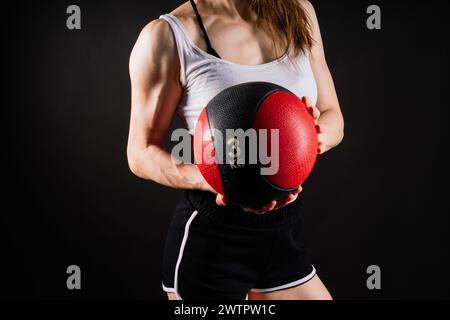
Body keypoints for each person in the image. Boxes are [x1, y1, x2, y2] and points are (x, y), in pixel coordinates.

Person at [127, 0, 344, 300]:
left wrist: (305, 138)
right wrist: (220, 179)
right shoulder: (168, 35)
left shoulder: (298, 10)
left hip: (282, 236)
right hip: (212, 245)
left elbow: (333, 115)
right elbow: (140, 152)